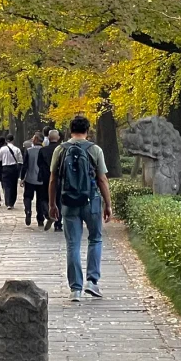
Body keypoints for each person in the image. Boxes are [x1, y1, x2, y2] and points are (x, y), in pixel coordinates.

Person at [48, 114, 112, 301]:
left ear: (70, 130)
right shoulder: (95, 150)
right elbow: (102, 179)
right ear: (87, 130)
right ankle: (92, 282)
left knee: (72, 244)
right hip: (91, 200)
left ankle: (75, 288)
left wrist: (52, 204)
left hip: (68, 202)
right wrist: (108, 204)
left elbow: (53, 179)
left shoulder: (60, 149)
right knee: (95, 239)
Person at [22, 131, 48, 226]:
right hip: (41, 179)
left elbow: (25, 166)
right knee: (40, 199)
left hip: (30, 178)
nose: (32, 139)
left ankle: (28, 210)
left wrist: (22, 177)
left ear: (36, 139)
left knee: (28, 196)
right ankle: (40, 219)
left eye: (33, 138)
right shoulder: (44, 150)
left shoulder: (29, 150)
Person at [41, 129, 62, 229]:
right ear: (58, 138)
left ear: (48, 138)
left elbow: (39, 164)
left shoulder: (43, 150)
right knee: (59, 199)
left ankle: (48, 214)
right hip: (60, 177)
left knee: (44, 197)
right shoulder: (62, 149)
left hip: (46, 178)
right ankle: (58, 223)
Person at [0, 133, 22, 208]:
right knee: (14, 185)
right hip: (14, 168)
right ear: (13, 140)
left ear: (6, 140)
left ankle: (8, 203)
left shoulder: (2, 149)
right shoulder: (17, 149)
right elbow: (20, 160)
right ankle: (12, 202)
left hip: (5, 168)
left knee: (6, 185)